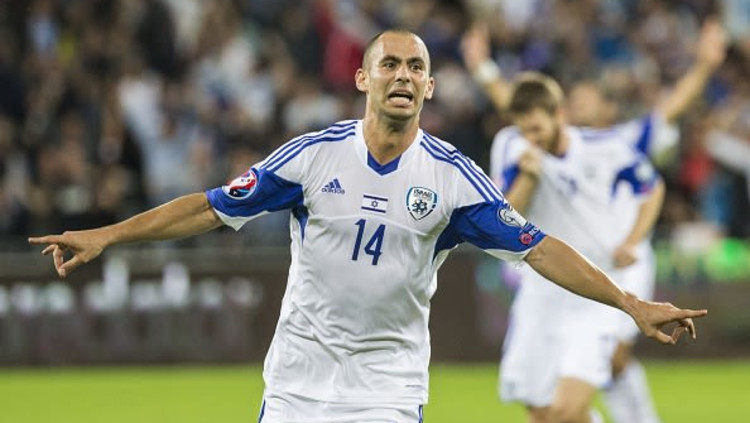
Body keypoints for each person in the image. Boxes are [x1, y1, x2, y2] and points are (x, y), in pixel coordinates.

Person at [29, 30, 706, 423]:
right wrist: (108, 234)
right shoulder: (312, 156)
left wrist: (629, 302)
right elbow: (210, 206)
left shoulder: (452, 178)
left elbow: (539, 248)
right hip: (297, 379)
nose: (403, 75)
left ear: (429, 88)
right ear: (363, 77)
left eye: (417, 67)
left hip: (387, 385)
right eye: (391, 64)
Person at [461, 19, 724, 423]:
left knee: (583, 393)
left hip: (604, 280)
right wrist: (482, 69)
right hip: (545, 289)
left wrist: (633, 240)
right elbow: (506, 217)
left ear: (565, 113)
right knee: (543, 413)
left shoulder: (615, 144)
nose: (531, 135)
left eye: (587, 100)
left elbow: (656, 170)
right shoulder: (516, 145)